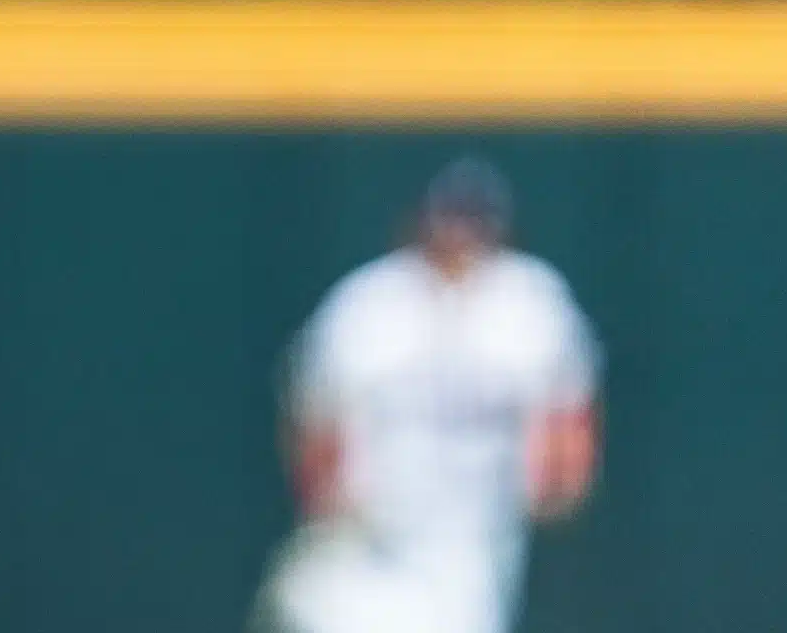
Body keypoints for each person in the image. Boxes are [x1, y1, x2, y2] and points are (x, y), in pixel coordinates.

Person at [253, 157, 599, 633]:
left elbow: (570, 418)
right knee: (311, 605)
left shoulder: (528, 302)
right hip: (376, 534)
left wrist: (558, 480)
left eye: (473, 222)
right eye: (451, 221)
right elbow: (314, 410)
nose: (460, 238)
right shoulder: (373, 303)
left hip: (477, 535)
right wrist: (326, 495)